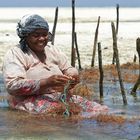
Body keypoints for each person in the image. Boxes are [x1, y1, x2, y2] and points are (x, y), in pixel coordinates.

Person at [2, 14, 109, 116]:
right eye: (36, 35)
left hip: (60, 96)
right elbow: (13, 85)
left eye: (45, 35)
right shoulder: (16, 54)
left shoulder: (52, 50)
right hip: (31, 101)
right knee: (61, 115)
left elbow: (68, 68)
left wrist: (72, 76)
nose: (42, 39)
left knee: (100, 110)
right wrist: (46, 82)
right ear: (25, 36)